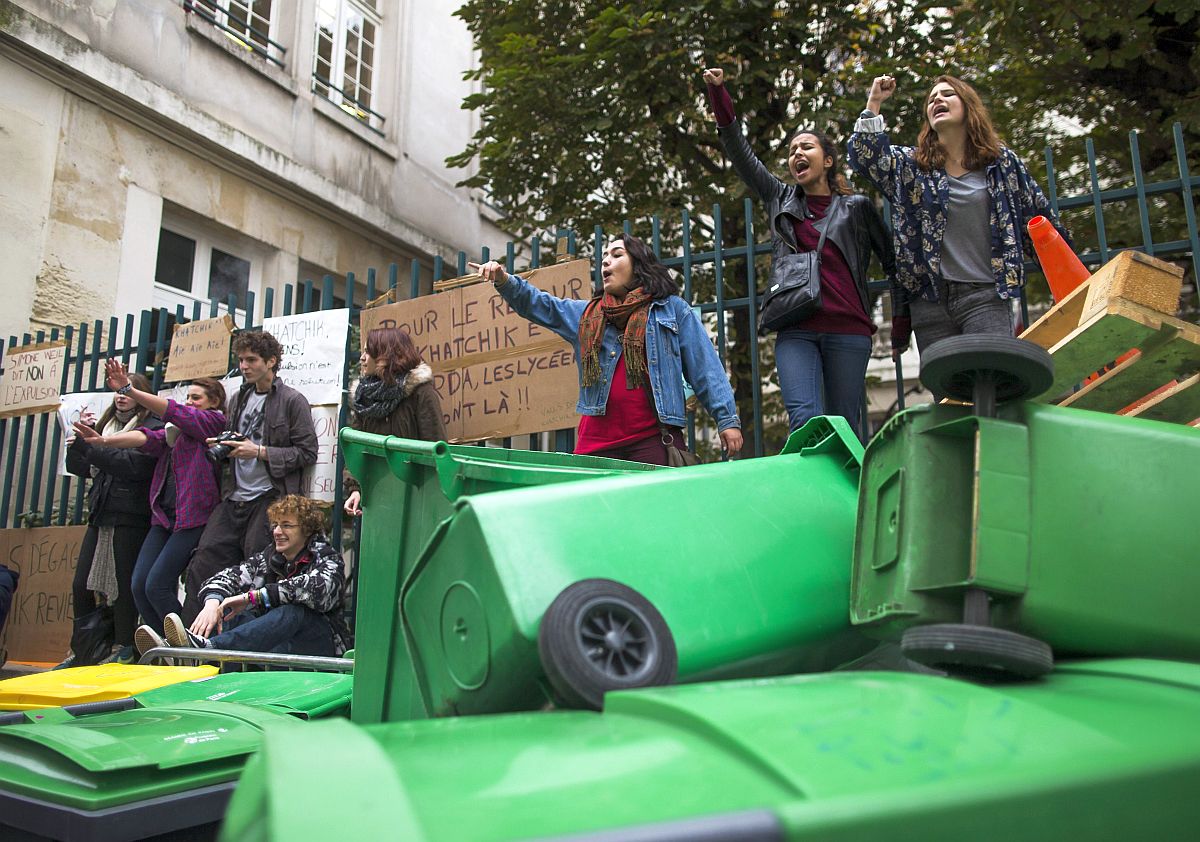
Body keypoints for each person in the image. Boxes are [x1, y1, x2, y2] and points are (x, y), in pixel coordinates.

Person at [704, 67, 899, 437]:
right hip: (796, 328)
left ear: (828, 160)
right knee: (804, 420)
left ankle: (847, 494)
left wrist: (901, 326)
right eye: (792, 150)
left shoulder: (856, 207)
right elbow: (740, 153)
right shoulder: (780, 198)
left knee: (844, 425)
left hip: (848, 330)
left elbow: (893, 264)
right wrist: (718, 95)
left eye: (806, 146)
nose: (797, 153)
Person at [847, 73, 1072, 365]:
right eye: (931, 99)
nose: (937, 100)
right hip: (930, 302)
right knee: (949, 396)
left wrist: (1065, 282)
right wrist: (875, 100)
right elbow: (866, 158)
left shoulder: (1001, 164)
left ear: (968, 107)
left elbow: (1039, 221)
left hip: (985, 297)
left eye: (947, 94)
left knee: (994, 382)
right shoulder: (912, 168)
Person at [469, 235, 743, 465]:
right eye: (604, 257)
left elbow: (705, 367)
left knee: (653, 523)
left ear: (638, 264)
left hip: (652, 441)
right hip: (595, 445)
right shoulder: (586, 314)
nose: (606, 261)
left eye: (616, 254)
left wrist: (726, 419)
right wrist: (504, 280)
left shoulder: (672, 310)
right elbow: (541, 305)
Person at [71, 363, 226, 654]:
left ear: (213, 403)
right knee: (138, 584)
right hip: (164, 518)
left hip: (192, 518)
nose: (189, 402)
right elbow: (146, 437)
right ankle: (166, 647)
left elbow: (172, 411)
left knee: (156, 584)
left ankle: (187, 646)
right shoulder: (173, 432)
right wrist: (102, 441)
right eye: (187, 397)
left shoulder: (210, 423)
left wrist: (130, 390)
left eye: (196, 398)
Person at [181, 330, 318, 624]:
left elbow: (307, 453)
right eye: (241, 360)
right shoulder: (238, 397)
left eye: (251, 360)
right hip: (234, 497)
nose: (244, 366)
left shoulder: (292, 400)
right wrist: (224, 445)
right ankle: (191, 642)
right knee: (203, 563)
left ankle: (243, 648)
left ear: (271, 361)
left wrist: (258, 452)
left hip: (269, 497)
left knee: (257, 571)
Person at [142, 495, 350, 657]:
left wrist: (252, 597)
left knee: (294, 612)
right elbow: (228, 576)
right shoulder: (269, 557)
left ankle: (204, 651)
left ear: (307, 530)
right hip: (278, 650)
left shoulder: (328, 558)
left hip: (317, 650)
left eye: (286, 525)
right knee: (231, 613)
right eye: (275, 525)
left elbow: (314, 589)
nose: (277, 531)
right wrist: (213, 604)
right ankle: (183, 651)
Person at [58, 374, 161, 666]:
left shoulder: (149, 427)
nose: (121, 396)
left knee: (122, 585)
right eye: (116, 391)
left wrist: (95, 446)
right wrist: (79, 441)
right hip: (101, 512)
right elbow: (79, 465)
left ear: (143, 396)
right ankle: (83, 648)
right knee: (82, 585)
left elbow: (133, 467)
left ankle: (124, 646)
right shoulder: (104, 425)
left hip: (130, 515)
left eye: (129, 391)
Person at [343, 327, 446, 517]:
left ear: (385, 356)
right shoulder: (364, 396)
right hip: (377, 496)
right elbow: (358, 450)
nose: (362, 358)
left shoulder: (420, 392)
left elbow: (434, 448)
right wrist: (356, 489)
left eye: (368, 351)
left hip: (415, 496)